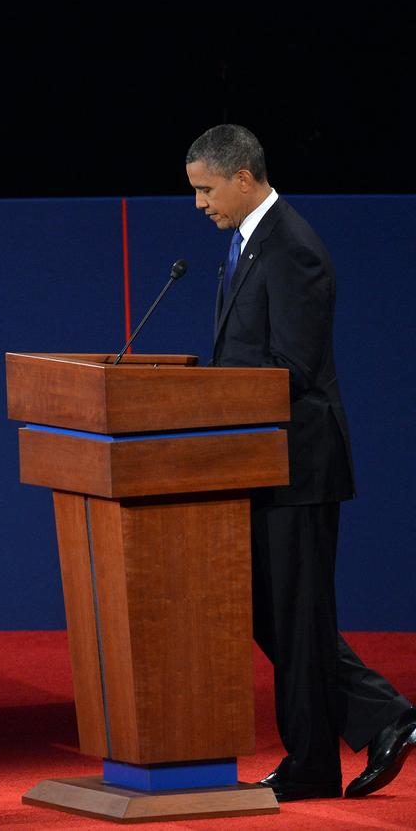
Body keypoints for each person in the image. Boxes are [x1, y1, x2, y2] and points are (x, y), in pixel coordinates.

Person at [186, 123, 415, 801]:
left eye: (206, 189)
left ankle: (322, 755)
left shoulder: (293, 248)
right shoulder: (248, 243)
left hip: (297, 466)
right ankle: (374, 720)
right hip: (259, 464)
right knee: (277, 613)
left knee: (296, 613)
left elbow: (294, 366)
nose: (200, 203)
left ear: (244, 176)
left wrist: (216, 402)